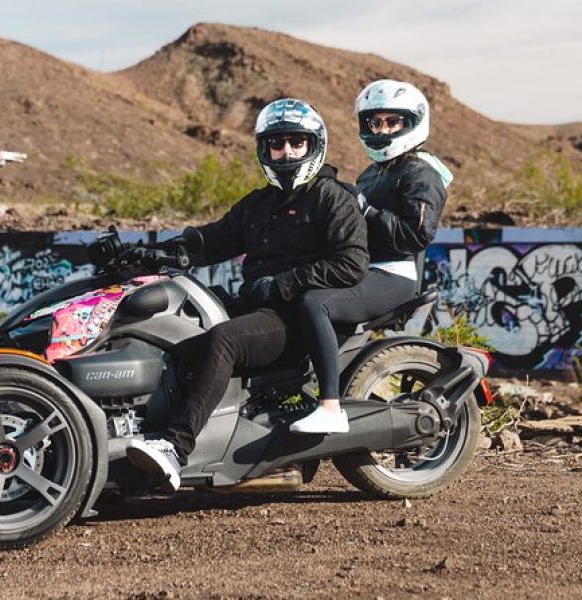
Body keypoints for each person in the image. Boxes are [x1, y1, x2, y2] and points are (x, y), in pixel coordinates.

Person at [125, 98, 369, 490]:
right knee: (176, 332)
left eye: (296, 142)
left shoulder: (332, 197)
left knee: (224, 341)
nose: (286, 151)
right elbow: (209, 241)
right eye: (277, 143)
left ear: (314, 145)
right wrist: (154, 251)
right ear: (264, 149)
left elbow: (351, 264)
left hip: (299, 318)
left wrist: (282, 283)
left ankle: (175, 448)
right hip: (260, 308)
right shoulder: (258, 205)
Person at [289, 79, 454, 434]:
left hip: (395, 274)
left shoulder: (421, 172)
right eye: (375, 123)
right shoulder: (373, 172)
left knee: (315, 303)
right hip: (361, 267)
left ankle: (329, 407)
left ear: (412, 123)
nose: (382, 130)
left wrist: (365, 210)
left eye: (392, 122)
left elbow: (416, 235)